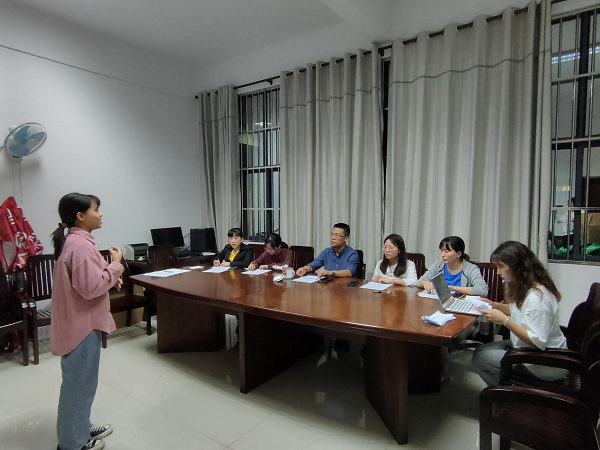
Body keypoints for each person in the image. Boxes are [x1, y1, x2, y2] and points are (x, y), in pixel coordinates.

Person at [51, 193, 123, 450]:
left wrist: (110, 275)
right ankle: (72, 443)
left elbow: (89, 278)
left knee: (82, 383)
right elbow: (91, 287)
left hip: (79, 323)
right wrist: (116, 265)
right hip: (81, 328)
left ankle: (81, 426)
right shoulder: (80, 245)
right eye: (95, 209)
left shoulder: (77, 241)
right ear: (80, 216)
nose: (100, 214)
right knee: (78, 386)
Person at [472, 241, 567, 386]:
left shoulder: (538, 299)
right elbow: (519, 310)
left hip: (547, 362)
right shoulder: (531, 288)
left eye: (500, 267)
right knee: (481, 350)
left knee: (481, 357)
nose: (498, 272)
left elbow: (537, 341)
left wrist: (504, 320)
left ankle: (510, 393)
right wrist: (495, 305)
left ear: (517, 266)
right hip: (534, 350)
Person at [418, 236, 488, 297]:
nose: (442, 255)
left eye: (446, 251)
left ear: (458, 254)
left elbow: (483, 290)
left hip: (461, 303)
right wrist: (425, 283)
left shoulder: (471, 268)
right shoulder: (438, 265)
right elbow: (419, 282)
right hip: (438, 302)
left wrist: (453, 288)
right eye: (441, 251)